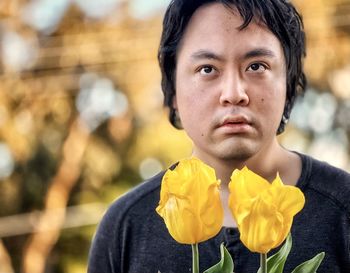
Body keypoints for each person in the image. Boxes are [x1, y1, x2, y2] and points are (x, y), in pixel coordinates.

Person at [88, 0, 350, 272]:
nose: (234, 93)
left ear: (288, 82)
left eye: (257, 66)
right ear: (174, 90)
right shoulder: (125, 227)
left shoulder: (343, 210)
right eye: (207, 69)